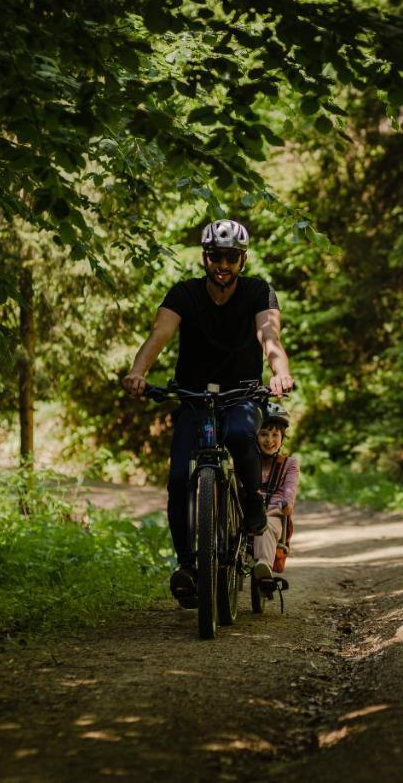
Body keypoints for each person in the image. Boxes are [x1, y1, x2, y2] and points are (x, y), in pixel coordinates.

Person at [120, 219, 295, 607]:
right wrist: (138, 372)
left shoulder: (258, 292)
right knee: (179, 477)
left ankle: (251, 500)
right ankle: (186, 566)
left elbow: (270, 337)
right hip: (193, 398)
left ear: (242, 260)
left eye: (231, 257)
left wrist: (280, 373)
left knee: (237, 435)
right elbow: (159, 334)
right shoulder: (184, 293)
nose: (223, 264)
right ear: (205, 257)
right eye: (217, 256)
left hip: (242, 395)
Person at [253, 402, 300, 588]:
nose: (269, 440)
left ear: (282, 438)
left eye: (275, 435)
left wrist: (286, 504)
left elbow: (289, 490)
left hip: (272, 514)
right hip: (245, 512)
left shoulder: (289, 464)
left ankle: (264, 565)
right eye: (263, 434)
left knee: (266, 523)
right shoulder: (247, 461)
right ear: (255, 436)